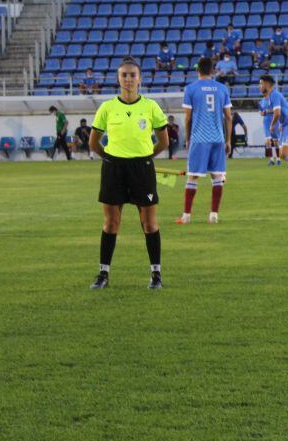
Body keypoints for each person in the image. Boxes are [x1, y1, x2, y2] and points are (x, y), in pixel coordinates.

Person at [87, 58, 169, 290]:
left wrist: (145, 158)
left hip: (142, 169)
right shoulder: (107, 107)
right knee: (111, 222)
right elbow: (94, 142)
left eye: (133, 75)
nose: (129, 79)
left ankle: (156, 275)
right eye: (124, 75)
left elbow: (163, 141)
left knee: (149, 223)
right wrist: (109, 159)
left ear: (140, 78)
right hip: (114, 169)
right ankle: (103, 274)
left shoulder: (151, 106)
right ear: (118, 78)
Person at [176, 57, 232, 225]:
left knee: (193, 177)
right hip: (218, 137)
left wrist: (188, 137)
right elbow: (228, 117)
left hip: (200, 137)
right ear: (213, 70)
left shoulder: (191, 89)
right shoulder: (222, 89)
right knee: (218, 176)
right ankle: (213, 215)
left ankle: (186, 216)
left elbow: (188, 118)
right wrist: (228, 140)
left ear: (197, 71)